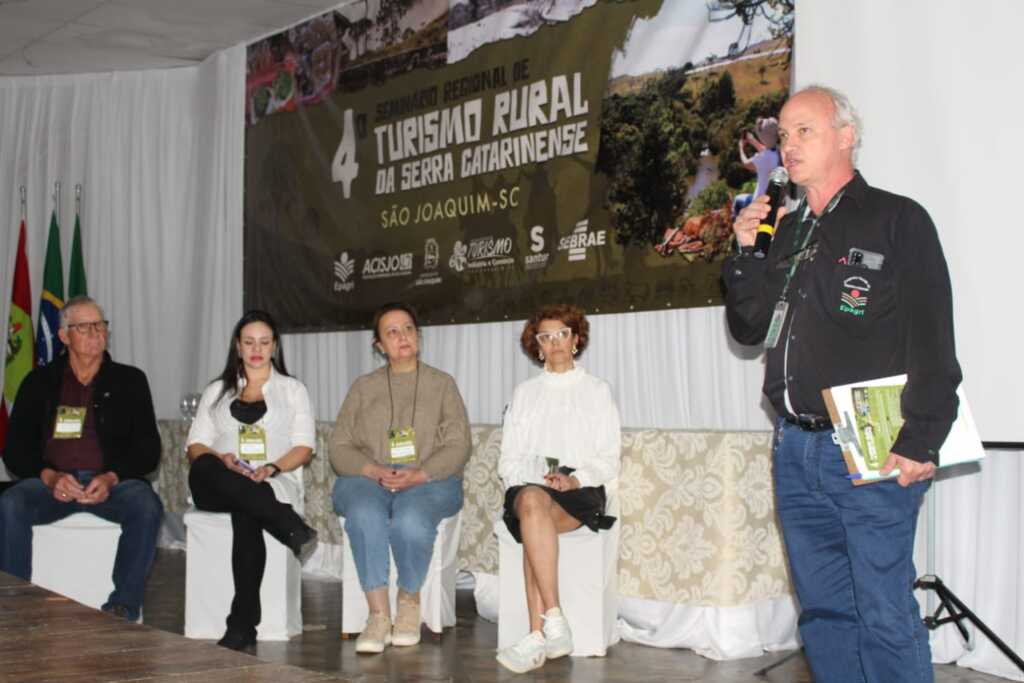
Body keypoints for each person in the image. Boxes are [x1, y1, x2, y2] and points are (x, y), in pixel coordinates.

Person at [723, 85, 960, 683]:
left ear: (846, 136)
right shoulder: (786, 227)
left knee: (882, 609)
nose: (789, 145)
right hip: (796, 447)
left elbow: (933, 334)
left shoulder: (896, 219)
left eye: (805, 130)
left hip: (872, 440)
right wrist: (748, 252)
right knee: (824, 614)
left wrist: (923, 437)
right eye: (784, 134)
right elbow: (749, 328)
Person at [0, 296, 163, 622]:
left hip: (111, 485)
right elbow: (15, 450)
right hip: (52, 485)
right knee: (11, 503)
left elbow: (148, 450)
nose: (96, 333)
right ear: (64, 336)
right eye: (85, 327)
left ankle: (123, 606)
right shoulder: (39, 382)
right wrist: (49, 477)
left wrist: (111, 477)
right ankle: (14, 605)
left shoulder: (130, 381)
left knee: (147, 505)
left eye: (101, 325)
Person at [329, 302, 470, 654]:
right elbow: (339, 447)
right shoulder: (363, 387)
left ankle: (409, 601)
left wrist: (420, 474)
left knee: (409, 519)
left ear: (418, 336)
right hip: (368, 478)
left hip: (431, 480)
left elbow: (458, 445)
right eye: (391, 332)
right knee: (363, 513)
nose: (402, 337)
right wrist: (373, 470)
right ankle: (378, 615)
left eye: (408, 328)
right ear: (379, 345)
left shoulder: (442, 384)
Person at [495, 303, 620, 674]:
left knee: (535, 519)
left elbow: (610, 458)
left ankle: (537, 633)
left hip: (579, 490)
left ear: (576, 339)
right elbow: (508, 461)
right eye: (545, 337)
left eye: (562, 334)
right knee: (532, 502)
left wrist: (575, 478)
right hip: (531, 486)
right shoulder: (524, 393)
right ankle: (555, 617)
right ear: (536, 346)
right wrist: (534, 477)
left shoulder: (598, 391)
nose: (555, 343)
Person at [185, 310, 318, 652]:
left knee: (248, 507)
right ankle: (290, 526)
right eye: (249, 342)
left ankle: (242, 625)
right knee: (204, 466)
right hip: (217, 480)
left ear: (274, 346)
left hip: (271, 480)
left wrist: (271, 468)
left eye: (264, 342)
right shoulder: (217, 390)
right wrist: (223, 459)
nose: (256, 349)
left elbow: (304, 448)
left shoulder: (292, 390)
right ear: (237, 347)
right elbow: (195, 445)